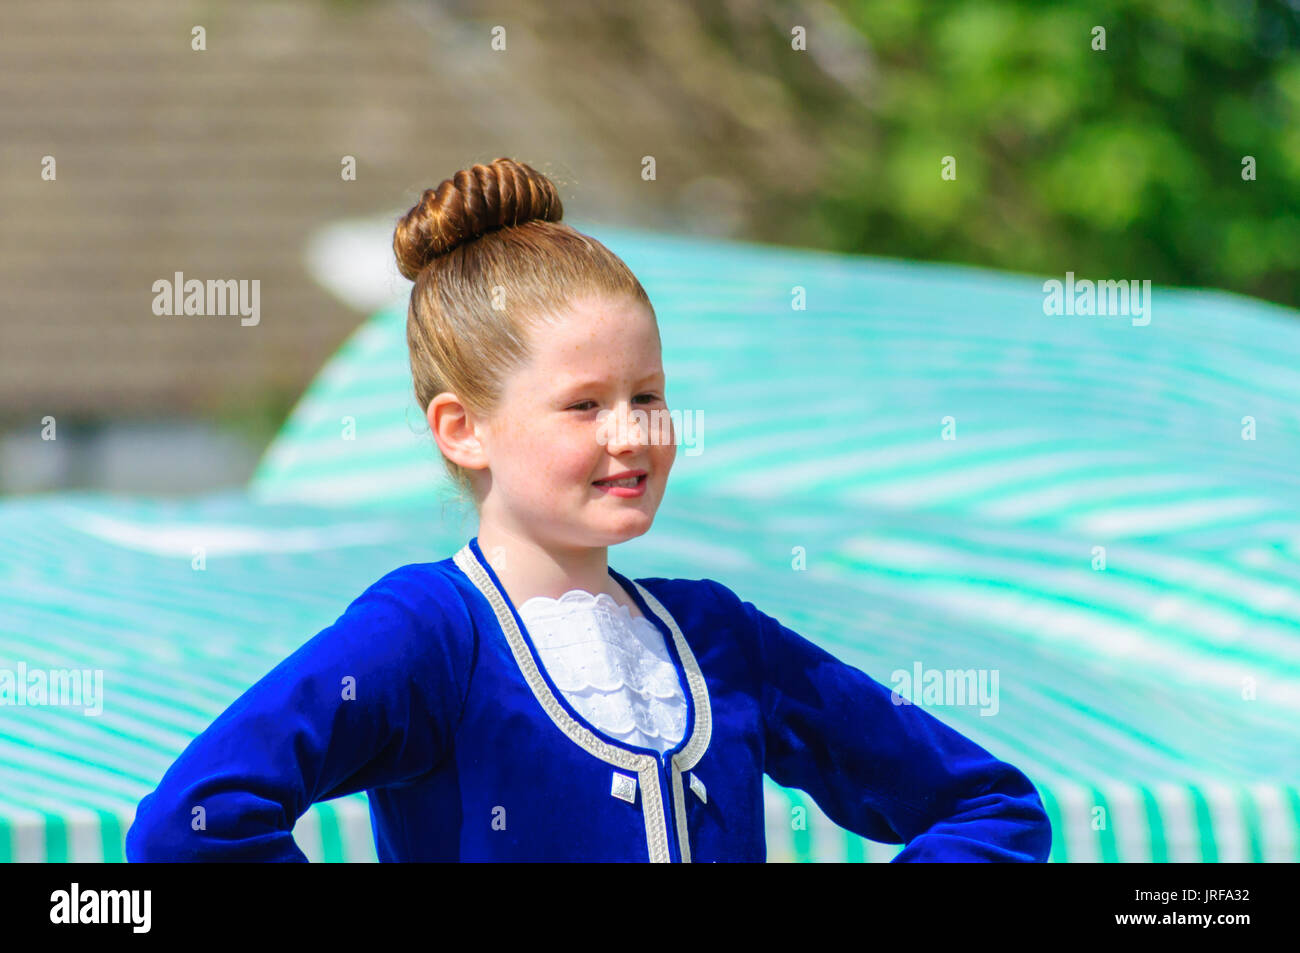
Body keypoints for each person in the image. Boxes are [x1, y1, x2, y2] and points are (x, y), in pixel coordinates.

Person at [125, 157, 1052, 863]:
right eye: (585, 405)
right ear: (462, 429)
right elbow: (188, 823)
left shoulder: (721, 636)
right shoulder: (429, 635)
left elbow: (993, 808)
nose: (631, 434)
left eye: (647, 396)